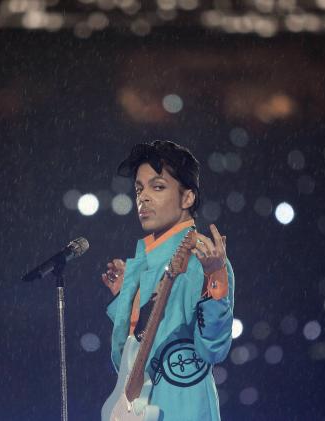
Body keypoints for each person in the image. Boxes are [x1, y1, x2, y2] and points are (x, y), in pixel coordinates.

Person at [101, 140, 235, 421]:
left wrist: (216, 280)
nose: (143, 198)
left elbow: (213, 349)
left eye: (158, 186)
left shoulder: (203, 257)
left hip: (181, 409)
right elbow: (125, 367)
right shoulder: (140, 266)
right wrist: (125, 298)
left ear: (187, 198)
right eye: (139, 189)